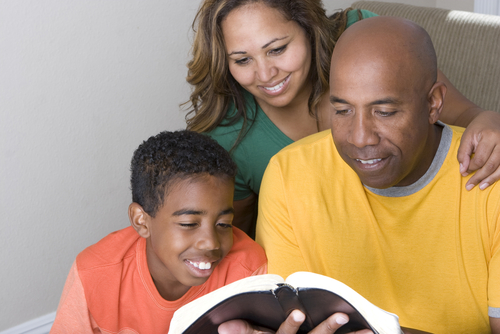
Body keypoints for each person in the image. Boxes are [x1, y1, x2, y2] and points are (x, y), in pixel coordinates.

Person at [248, 16, 500, 334]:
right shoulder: (289, 175)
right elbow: (292, 320)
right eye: (343, 110)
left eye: (384, 112)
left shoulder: (491, 173)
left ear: (434, 103)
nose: (360, 137)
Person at [184, 0, 500, 237]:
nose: (265, 74)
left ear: (307, 28)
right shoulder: (229, 139)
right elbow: (238, 243)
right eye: (242, 59)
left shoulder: (360, 37)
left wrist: (488, 120)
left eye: (278, 49)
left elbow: (456, 111)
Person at [50, 130, 267, 333]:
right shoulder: (94, 272)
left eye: (223, 224)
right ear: (141, 221)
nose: (211, 243)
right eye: (189, 223)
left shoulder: (248, 271)